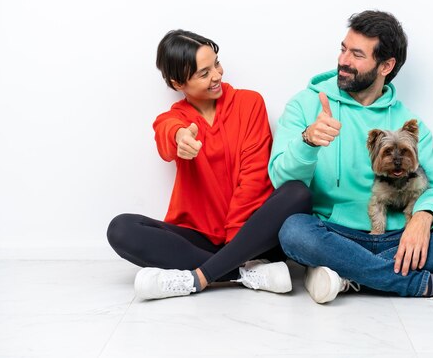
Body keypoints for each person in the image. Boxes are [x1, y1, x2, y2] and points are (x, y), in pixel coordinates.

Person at [269, 10, 433, 304]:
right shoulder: (306, 105)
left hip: (399, 238)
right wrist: (308, 141)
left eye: (357, 54)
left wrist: (423, 217)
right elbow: (280, 181)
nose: (343, 61)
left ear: (386, 65)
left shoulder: (409, 122)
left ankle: (349, 275)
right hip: (335, 235)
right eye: (343, 49)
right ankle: (426, 284)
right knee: (293, 231)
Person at [107, 29, 311, 300]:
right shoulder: (175, 119)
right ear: (178, 83)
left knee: (298, 192)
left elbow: (253, 180)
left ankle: (199, 277)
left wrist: (236, 243)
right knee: (120, 229)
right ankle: (242, 274)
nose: (217, 75)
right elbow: (166, 131)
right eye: (204, 73)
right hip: (200, 238)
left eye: (215, 63)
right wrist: (179, 136)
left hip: (252, 236)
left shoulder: (249, 103)